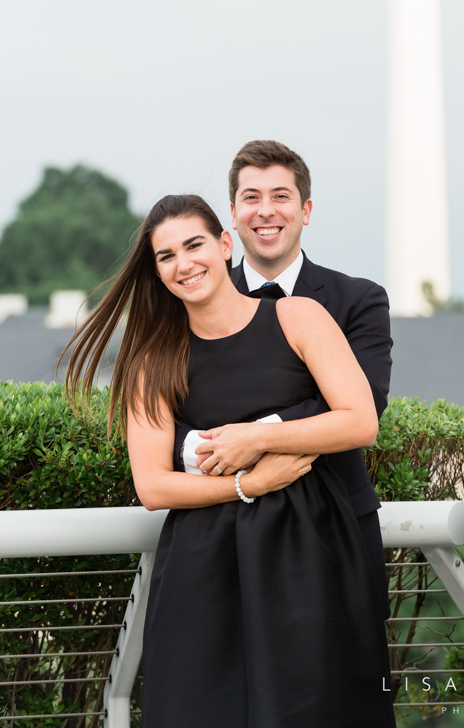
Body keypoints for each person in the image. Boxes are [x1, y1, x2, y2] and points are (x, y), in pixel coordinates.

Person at [64, 194, 395, 728]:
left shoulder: (297, 316)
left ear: (223, 245)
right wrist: (250, 484)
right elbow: (153, 486)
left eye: (194, 245)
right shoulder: (153, 361)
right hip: (203, 566)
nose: (183, 264)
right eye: (166, 256)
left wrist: (256, 437)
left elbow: (360, 421)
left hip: (310, 554)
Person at [175, 139, 393, 617]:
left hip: (334, 527)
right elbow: (167, 421)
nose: (265, 211)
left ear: (305, 209)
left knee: (344, 684)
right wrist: (209, 448)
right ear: (232, 213)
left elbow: (364, 405)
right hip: (219, 530)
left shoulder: (358, 300)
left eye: (280, 196)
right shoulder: (189, 299)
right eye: (251, 197)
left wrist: (255, 437)